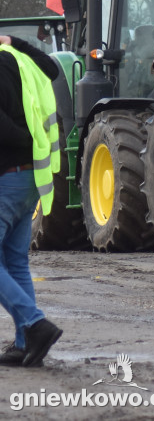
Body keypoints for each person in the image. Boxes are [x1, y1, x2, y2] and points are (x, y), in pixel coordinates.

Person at [0, 34, 63, 367]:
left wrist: (24, 142)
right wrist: (17, 42)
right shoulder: (24, 61)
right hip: (30, 178)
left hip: (7, 177)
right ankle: (26, 344)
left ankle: (35, 325)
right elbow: (53, 67)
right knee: (15, 262)